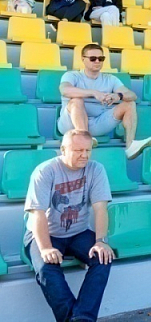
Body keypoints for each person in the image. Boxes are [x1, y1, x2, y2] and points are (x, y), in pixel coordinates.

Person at [25, 130, 114, 322]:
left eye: (87, 150)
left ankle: (82, 317)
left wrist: (100, 241)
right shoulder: (45, 171)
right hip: (45, 234)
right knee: (46, 268)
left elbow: (100, 208)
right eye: (78, 150)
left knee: (103, 257)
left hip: (78, 232)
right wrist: (46, 248)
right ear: (63, 150)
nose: (84, 155)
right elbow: (37, 213)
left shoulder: (96, 169)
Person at [59, 44, 151, 159]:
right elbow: (65, 90)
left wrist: (118, 96)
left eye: (101, 58)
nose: (97, 61)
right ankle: (85, 140)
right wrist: (93, 92)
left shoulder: (110, 79)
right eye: (93, 58)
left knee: (129, 104)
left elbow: (132, 95)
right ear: (83, 59)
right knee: (76, 101)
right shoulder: (72, 75)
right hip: (71, 124)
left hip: (97, 123)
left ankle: (130, 146)